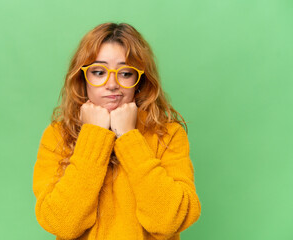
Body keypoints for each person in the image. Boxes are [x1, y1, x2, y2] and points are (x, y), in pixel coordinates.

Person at [32, 22, 201, 240]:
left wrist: (130, 138)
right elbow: (61, 223)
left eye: (125, 73)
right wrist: (93, 135)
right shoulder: (57, 136)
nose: (112, 84)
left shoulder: (168, 134)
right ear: (82, 78)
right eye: (99, 72)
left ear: (139, 80)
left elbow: (169, 221)